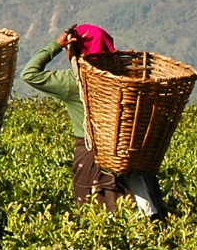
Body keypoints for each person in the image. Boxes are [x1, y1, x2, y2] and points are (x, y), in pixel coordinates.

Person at [20, 23, 167, 219]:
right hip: (131, 156)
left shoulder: (74, 82)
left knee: (98, 221)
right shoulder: (127, 79)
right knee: (140, 221)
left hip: (91, 158)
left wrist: (56, 45)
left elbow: (29, 73)